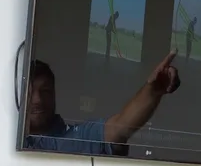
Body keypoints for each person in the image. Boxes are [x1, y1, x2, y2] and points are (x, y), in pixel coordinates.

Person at [24, 51, 181, 155]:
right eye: (30, 93)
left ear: (54, 95)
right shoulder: (2, 141)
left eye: (45, 91)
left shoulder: (75, 139)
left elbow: (119, 128)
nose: (38, 100)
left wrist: (152, 90)